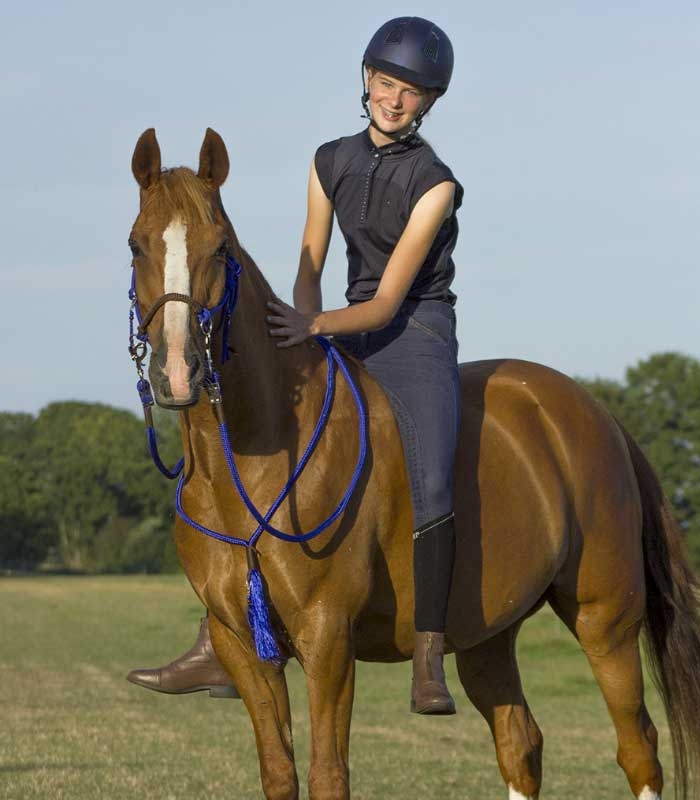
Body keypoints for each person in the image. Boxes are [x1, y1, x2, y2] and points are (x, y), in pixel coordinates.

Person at [127, 16, 462, 716]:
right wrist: (301, 333)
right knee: (262, 451)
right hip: (336, 323)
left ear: (431, 101)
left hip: (415, 334)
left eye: (411, 91)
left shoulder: (437, 184)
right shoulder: (328, 159)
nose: (393, 99)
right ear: (367, 77)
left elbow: (392, 296)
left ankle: (429, 650)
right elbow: (309, 266)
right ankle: (217, 638)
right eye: (385, 82)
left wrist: (316, 324)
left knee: (430, 470)